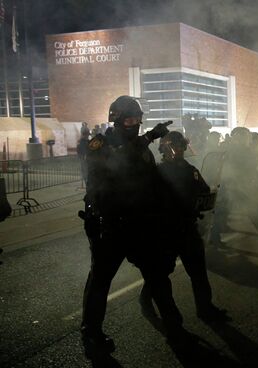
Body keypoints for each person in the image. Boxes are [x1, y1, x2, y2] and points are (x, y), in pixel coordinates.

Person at [79, 96, 184, 358]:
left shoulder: (142, 147)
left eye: (138, 120)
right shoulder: (100, 144)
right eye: (129, 120)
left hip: (141, 224)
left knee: (158, 276)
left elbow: (152, 181)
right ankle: (91, 333)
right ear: (116, 120)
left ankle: (174, 326)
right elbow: (116, 162)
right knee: (100, 281)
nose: (135, 124)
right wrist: (148, 136)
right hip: (111, 225)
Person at [139, 131, 230, 323]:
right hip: (165, 231)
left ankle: (205, 308)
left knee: (198, 272)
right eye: (176, 146)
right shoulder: (156, 172)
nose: (179, 150)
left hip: (188, 228)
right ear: (166, 148)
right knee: (162, 272)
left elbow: (204, 192)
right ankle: (145, 300)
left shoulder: (190, 169)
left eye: (181, 146)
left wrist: (209, 197)